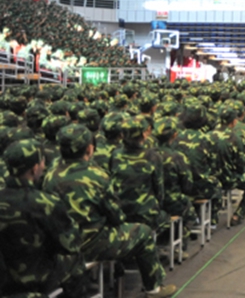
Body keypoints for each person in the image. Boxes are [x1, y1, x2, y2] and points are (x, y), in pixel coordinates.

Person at [43, 124, 177, 298]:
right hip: (90, 244)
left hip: (60, 247)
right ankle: (153, 288)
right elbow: (116, 215)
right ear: (90, 148)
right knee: (143, 233)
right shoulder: (97, 175)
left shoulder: (50, 174)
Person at [0, 139, 87, 298]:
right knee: (75, 259)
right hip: (37, 280)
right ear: (34, 169)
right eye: (42, 162)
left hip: (4, 283)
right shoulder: (46, 203)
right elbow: (70, 244)